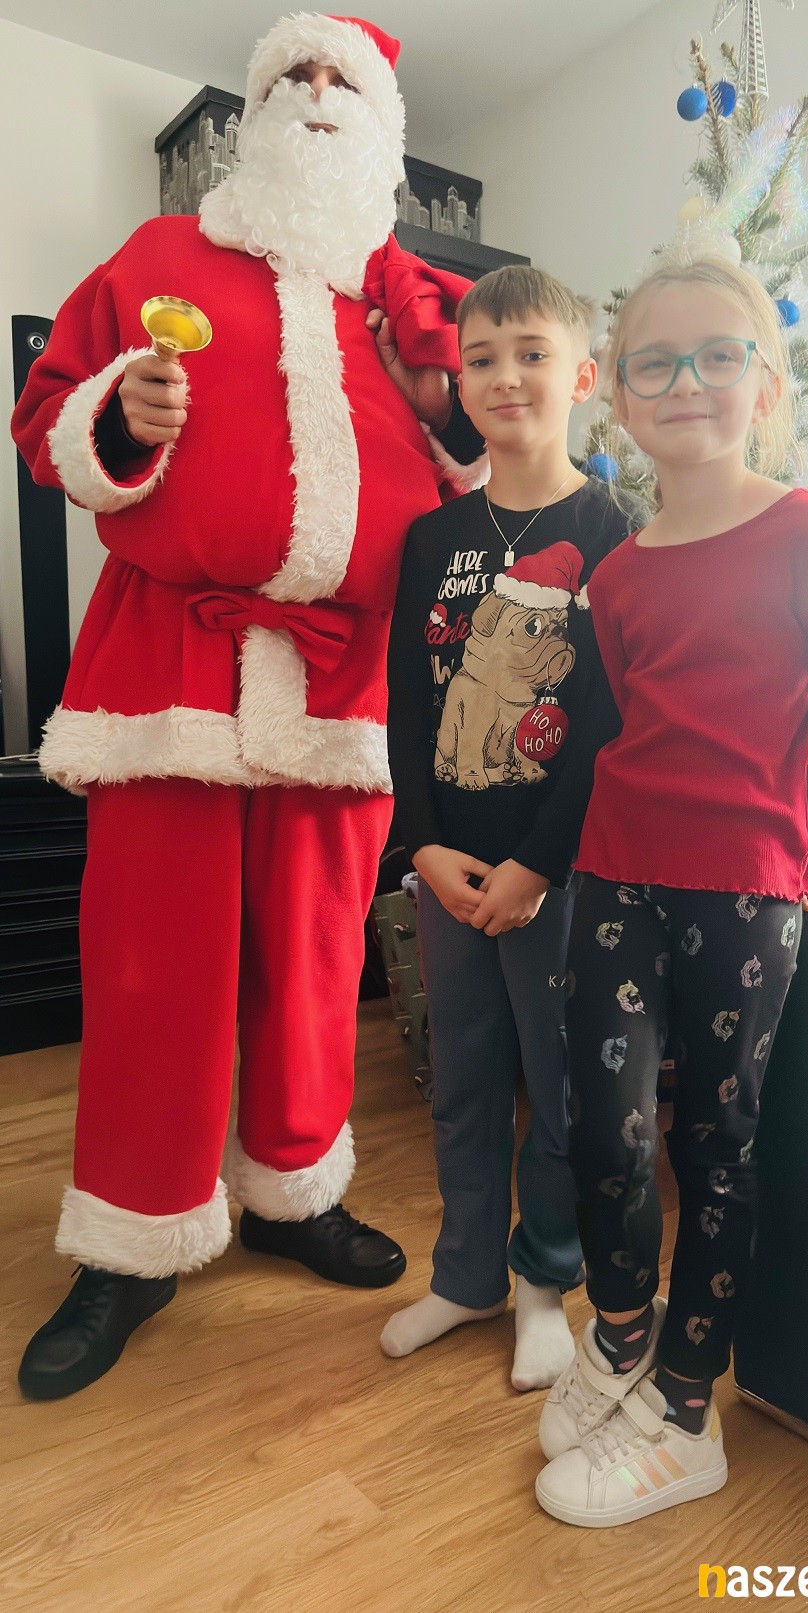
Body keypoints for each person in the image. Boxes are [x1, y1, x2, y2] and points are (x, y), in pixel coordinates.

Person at [10, 11, 484, 1402]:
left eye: (346, 81)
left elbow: (488, 459)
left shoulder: (419, 305)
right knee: (150, 963)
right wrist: (117, 417)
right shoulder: (156, 258)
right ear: (254, 114)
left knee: (319, 958)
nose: (318, 95)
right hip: (172, 668)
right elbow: (47, 416)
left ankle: (293, 1187)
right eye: (295, 75)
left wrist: (448, 409)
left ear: (383, 129)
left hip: (345, 679)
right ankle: (133, 1239)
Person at [534, 252, 808, 1523]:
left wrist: (787, 841)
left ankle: (686, 1410)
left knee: (715, 1140)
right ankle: (621, 1333)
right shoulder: (620, 573)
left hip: (743, 893)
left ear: (763, 381)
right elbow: (625, 724)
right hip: (615, 873)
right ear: (617, 394)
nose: (684, 380)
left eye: (715, 354)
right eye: (654, 361)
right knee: (603, 1127)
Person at [381, 265, 628, 1391]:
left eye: (531, 353)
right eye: (479, 358)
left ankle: (541, 1281)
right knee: (464, 1074)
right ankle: (468, 1272)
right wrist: (423, 845)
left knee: (559, 1083)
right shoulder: (433, 539)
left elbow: (606, 722)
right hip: (447, 865)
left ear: (580, 376)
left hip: (555, 871)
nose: (503, 376)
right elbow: (404, 701)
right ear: (458, 384)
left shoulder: (610, 531)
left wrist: (538, 863)